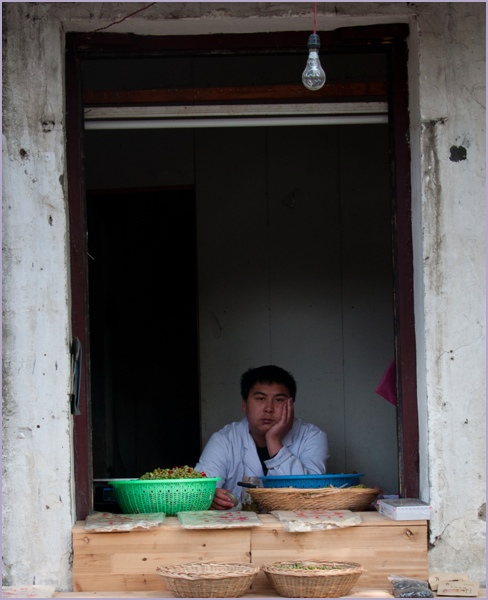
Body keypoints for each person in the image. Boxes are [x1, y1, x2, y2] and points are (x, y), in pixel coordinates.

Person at [194, 365, 329, 510]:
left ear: (291, 405)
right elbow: (199, 489)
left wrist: (274, 440)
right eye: (260, 398)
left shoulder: (312, 437)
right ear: (244, 404)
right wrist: (210, 497)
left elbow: (309, 496)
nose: (269, 408)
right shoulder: (224, 439)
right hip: (237, 524)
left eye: (278, 400)